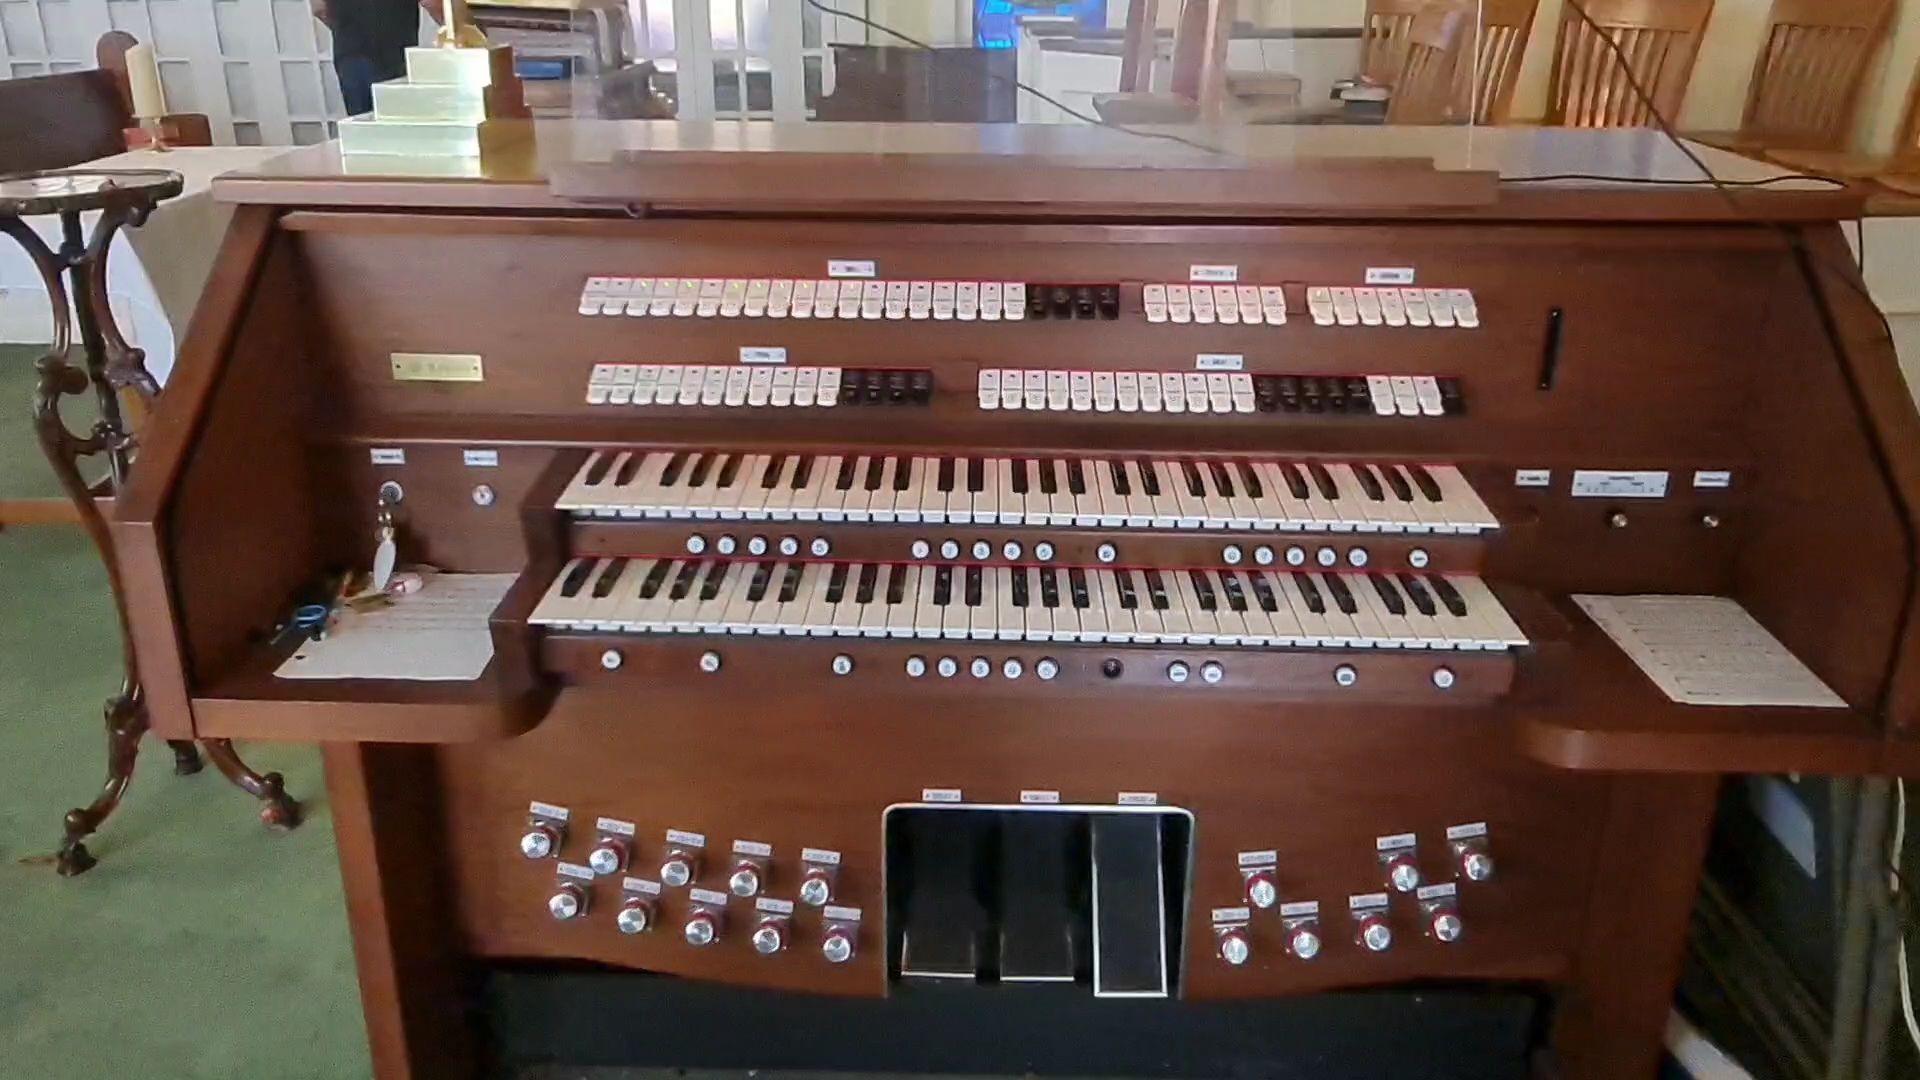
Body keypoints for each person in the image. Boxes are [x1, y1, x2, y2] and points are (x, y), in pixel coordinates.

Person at [310, 0, 442, 117]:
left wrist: (344, 27)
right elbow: (430, 3)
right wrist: (453, 30)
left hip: (348, 54)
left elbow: (318, 7)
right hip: (392, 52)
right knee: (398, 127)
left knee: (362, 128)